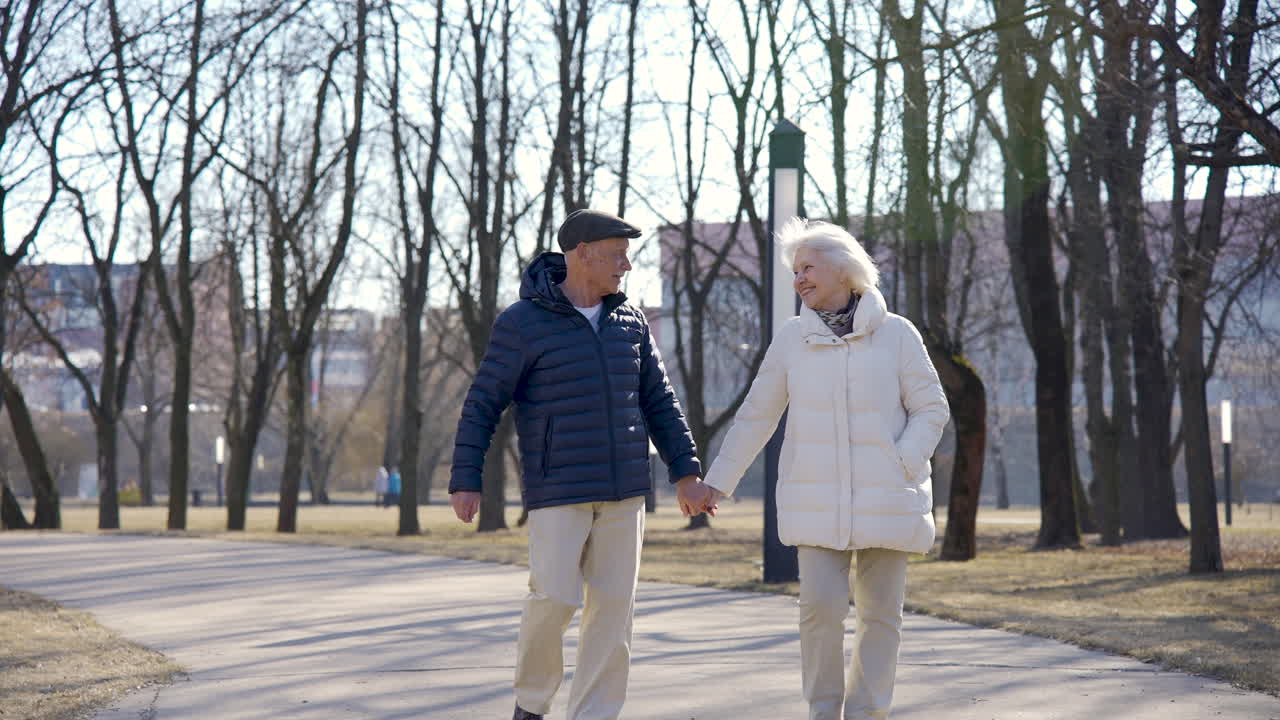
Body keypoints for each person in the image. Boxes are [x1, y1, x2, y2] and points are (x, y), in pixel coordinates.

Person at [449, 208, 717, 720]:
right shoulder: (522, 322)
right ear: (583, 254)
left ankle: (595, 713)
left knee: (613, 613)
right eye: (617, 255)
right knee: (554, 600)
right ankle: (531, 702)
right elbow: (483, 402)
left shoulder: (630, 320)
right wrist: (466, 479)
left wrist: (686, 471)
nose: (626, 266)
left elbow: (659, 400)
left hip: (625, 491)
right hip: (559, 487)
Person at [702, 218, 949, 720]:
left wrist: (903, 461)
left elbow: (931, 408)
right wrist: (717, 481)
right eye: (795, 272)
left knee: (881, 617)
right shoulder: (793, 339)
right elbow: (756, 415)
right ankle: (822, 711)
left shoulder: (897, 334)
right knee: (819, 613)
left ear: (844, 269)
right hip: (815, 502)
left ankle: (866, 712)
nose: (800, 280)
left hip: (888, 497)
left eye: (808, 268)